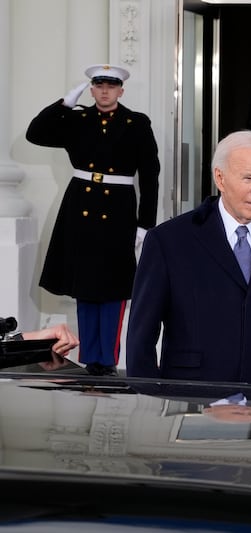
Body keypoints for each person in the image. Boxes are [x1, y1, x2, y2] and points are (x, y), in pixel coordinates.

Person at [126, 130, 251, 387]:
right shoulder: (169, 242)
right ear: (220, 178)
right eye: (248, 178)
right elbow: (141, 338)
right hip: (193, 401)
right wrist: (149, 402)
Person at [26, 64, 160, 377]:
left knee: (113, 286)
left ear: (120, 90)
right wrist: (65, 103)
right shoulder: (77, 119)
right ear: (91, 89)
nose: (104, 90)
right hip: (80, 205)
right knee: (84, 284)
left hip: (118, 211)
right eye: (98, 85)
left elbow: (150, 176)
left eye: (111, 86)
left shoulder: (136, 123)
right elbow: (36, 133)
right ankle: (90, 357)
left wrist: (145, 224)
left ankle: (107, 359)